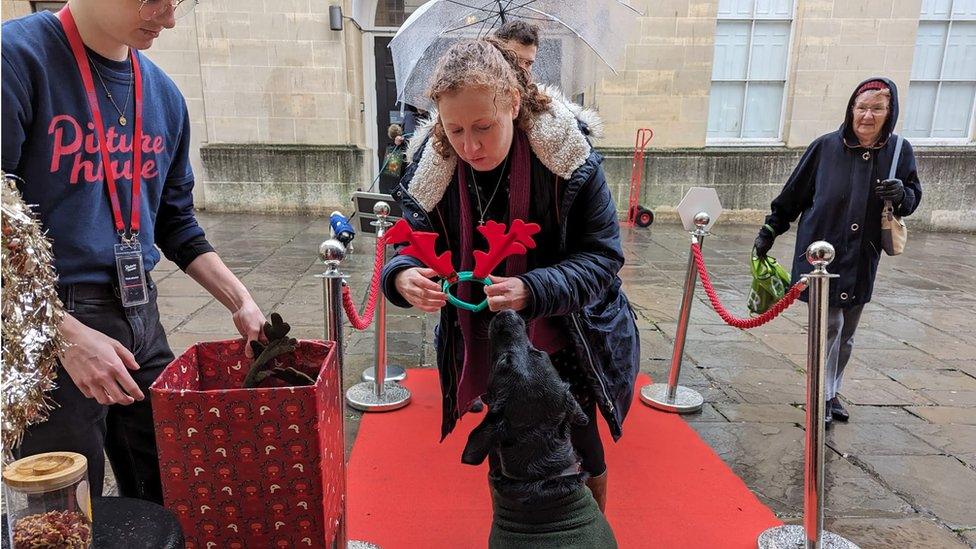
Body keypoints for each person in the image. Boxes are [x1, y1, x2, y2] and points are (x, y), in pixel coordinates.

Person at [2, 0, 267, 503]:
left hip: (140, 310)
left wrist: (241, 300)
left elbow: (176, 224)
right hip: (49, 318)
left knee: (169, 486)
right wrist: (65, 336)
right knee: (63, 508)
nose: (168, 18)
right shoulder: (16, 60)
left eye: (178, 3)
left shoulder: (163, 95)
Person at [380, 38, 639, 513]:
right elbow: (406, 237)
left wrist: (532, 287)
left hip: (569, 331)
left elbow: (603, 259)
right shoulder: (433, 169)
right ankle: (517, 530)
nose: (469, 145)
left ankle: (588, 532)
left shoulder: (569, 160)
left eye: (483, 126)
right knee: (504, 444)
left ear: (514, 104)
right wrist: (401, 275)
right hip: (488, 334)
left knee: (581, 442)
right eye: (454, 128)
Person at [754, 77, 921, 426]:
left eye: (877, 108)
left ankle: (832, 389)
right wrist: (770, 229)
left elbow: (913, 199)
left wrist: (901, 193)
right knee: (828, 327)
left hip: (862, 256)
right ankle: (821, 397)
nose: (867, 115)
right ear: (851, 109)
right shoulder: (825, 147)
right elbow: (794, 195)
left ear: (890, 113)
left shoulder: (900, 151)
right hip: (820, 256)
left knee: (846, 335)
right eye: (861, 107)